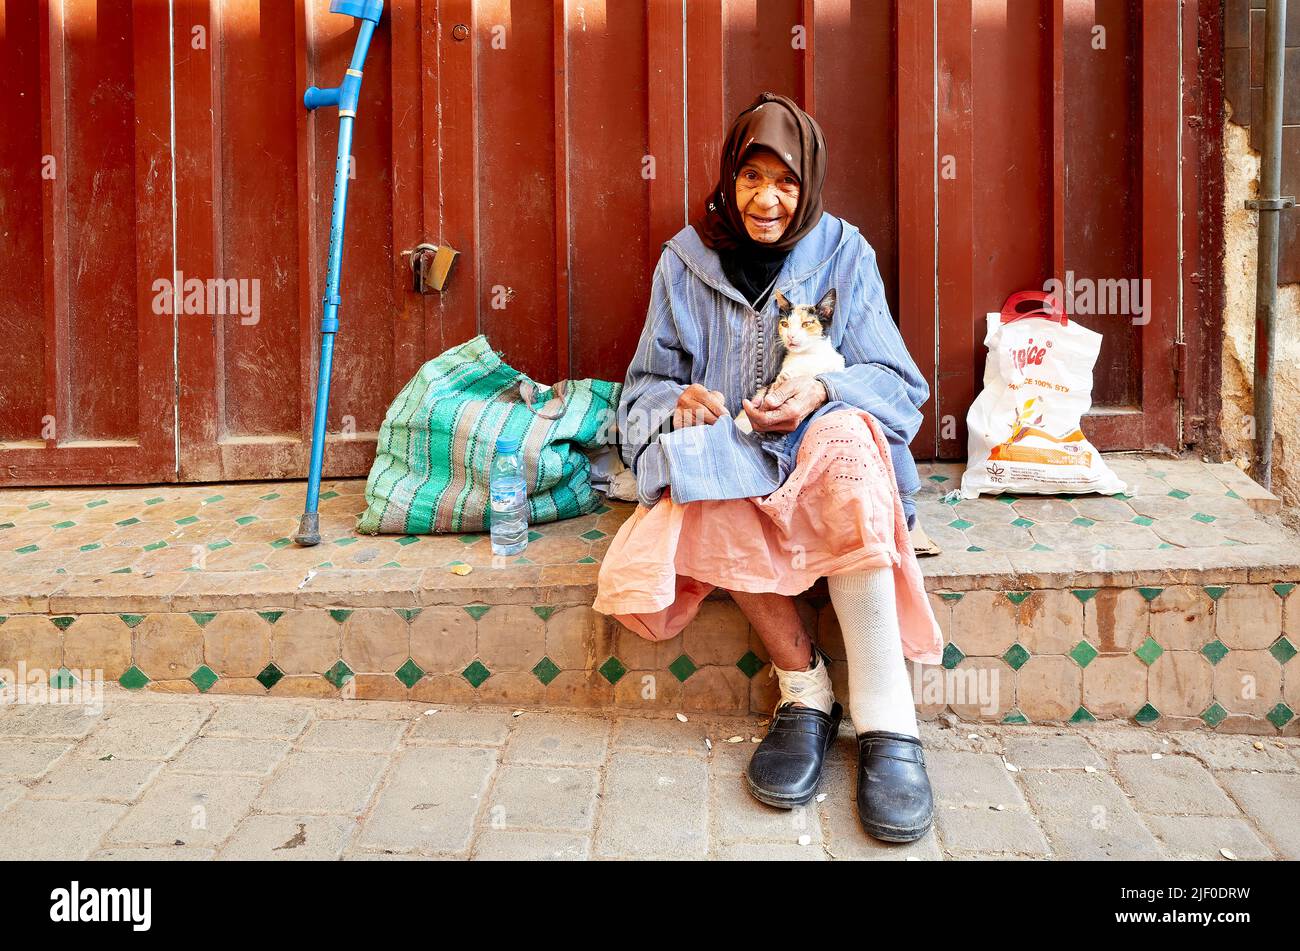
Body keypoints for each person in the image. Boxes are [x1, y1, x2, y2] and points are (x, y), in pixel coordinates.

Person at [593, 92, 943, 843]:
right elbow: (640, 395)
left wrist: (822, 388)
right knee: (700, 469)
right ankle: (806, 692)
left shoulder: (845, 252)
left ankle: (888, 721)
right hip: (739, 445)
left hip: (822, 451)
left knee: (848, 443)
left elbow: (899, 383)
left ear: (808, 182)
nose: (767, 198)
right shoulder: (685, 260)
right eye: (751, 177)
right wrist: (678, 401)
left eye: (786, 180)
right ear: (728, 178)